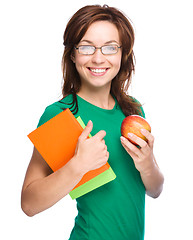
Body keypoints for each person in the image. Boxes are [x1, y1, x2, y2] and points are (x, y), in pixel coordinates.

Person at [21, 5, 164, 240]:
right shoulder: (60, 114)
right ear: (73, 54)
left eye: (110, 47)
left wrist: (147, 164)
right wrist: (78, 165)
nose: (98, 58)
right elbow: (29, 204)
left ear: (122, 54)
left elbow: (155, 190)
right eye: (87, 47)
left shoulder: (133, 111)